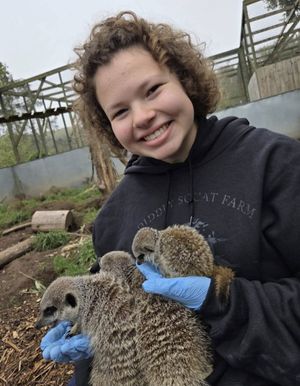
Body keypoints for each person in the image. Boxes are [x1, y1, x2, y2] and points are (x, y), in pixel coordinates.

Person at [40, 11, 300, 386]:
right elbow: (114, 329)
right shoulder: (113, 217)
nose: (143, 116)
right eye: (121, 111)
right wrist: (85, 332)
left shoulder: (275, 164)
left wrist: (221, 300)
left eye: (152, 90)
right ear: (108, 125)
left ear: (183, 78)